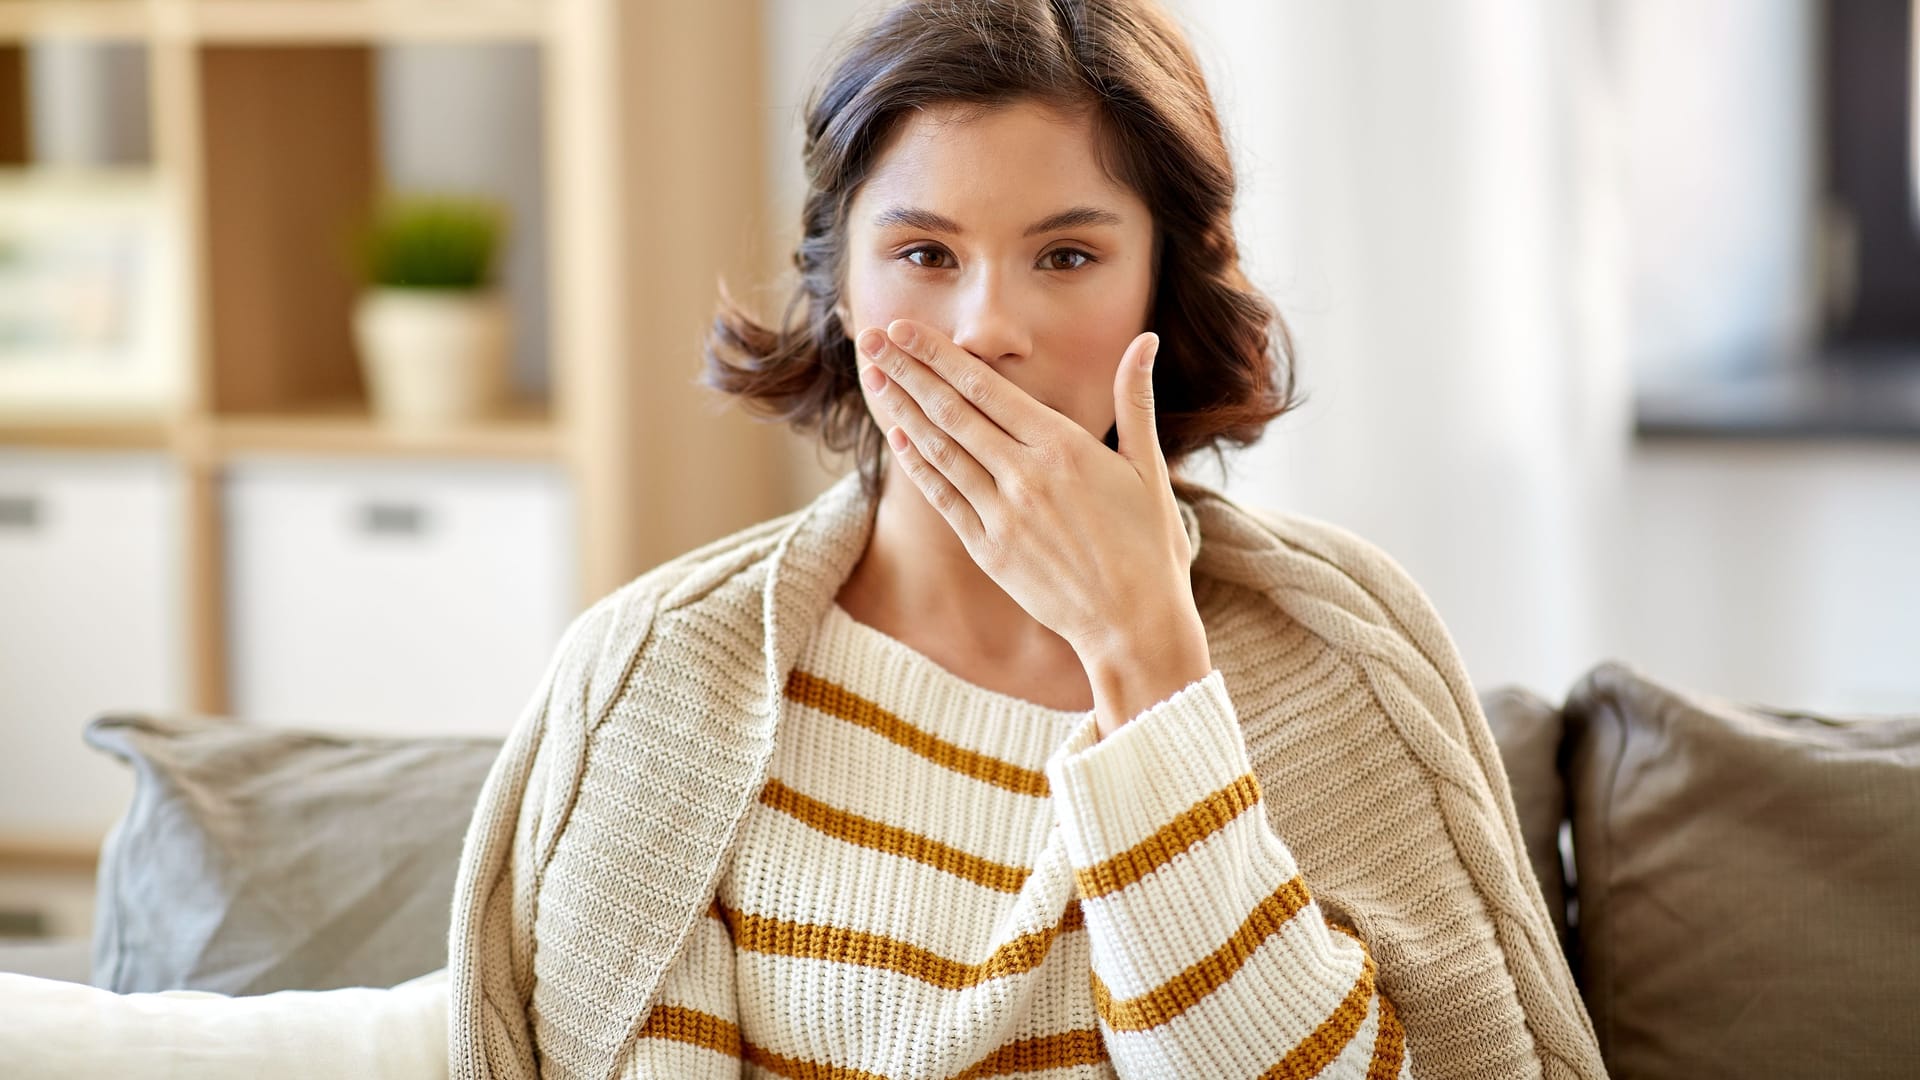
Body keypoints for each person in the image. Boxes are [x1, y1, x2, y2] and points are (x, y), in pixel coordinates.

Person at [446, 1, 1608, 1077]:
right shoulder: (659, 677)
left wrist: (1147, 656)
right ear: (844, 295)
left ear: (1159, 287)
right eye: (924, 255)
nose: (988, 329)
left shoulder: (1339, 652)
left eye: (1067, 256)